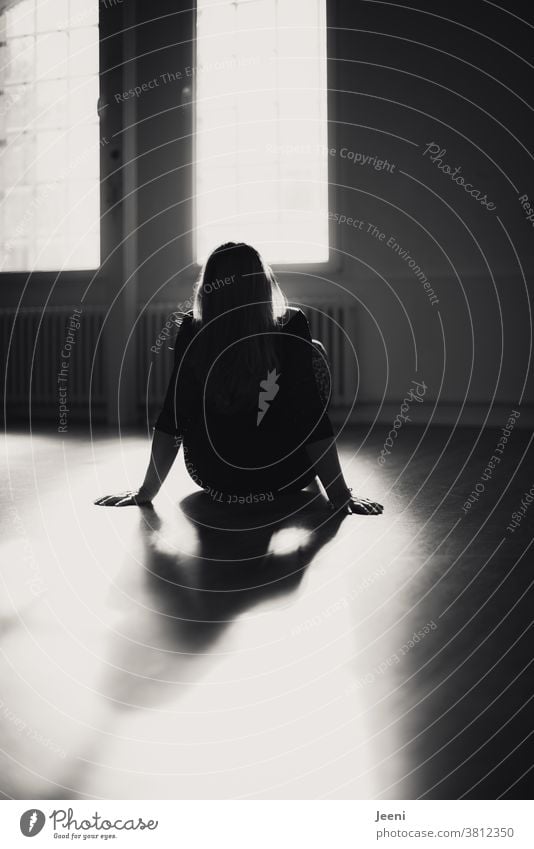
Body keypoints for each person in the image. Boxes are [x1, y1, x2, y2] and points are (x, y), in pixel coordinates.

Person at [95, 242, 383, 516]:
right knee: (314, 352)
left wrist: (146, 491)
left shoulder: (192, 329)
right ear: (262, 282)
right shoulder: (291, 324)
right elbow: (309, 413)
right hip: (284, 475)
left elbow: (175, 413)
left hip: (213, 476)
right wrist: (340, 494)